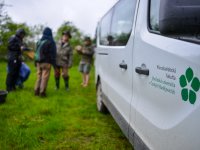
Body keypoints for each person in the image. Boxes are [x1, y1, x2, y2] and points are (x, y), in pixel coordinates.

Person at [34, 27, 56, 97]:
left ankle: (36, 91)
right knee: (44, 77)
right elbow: (53, 54)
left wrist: (35, 62)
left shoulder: (39, 41)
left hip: (38, 62)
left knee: (39, 76)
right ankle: (42, 93)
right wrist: (54, 65)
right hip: (46, 62)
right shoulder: (51, 42)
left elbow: (36, 53)